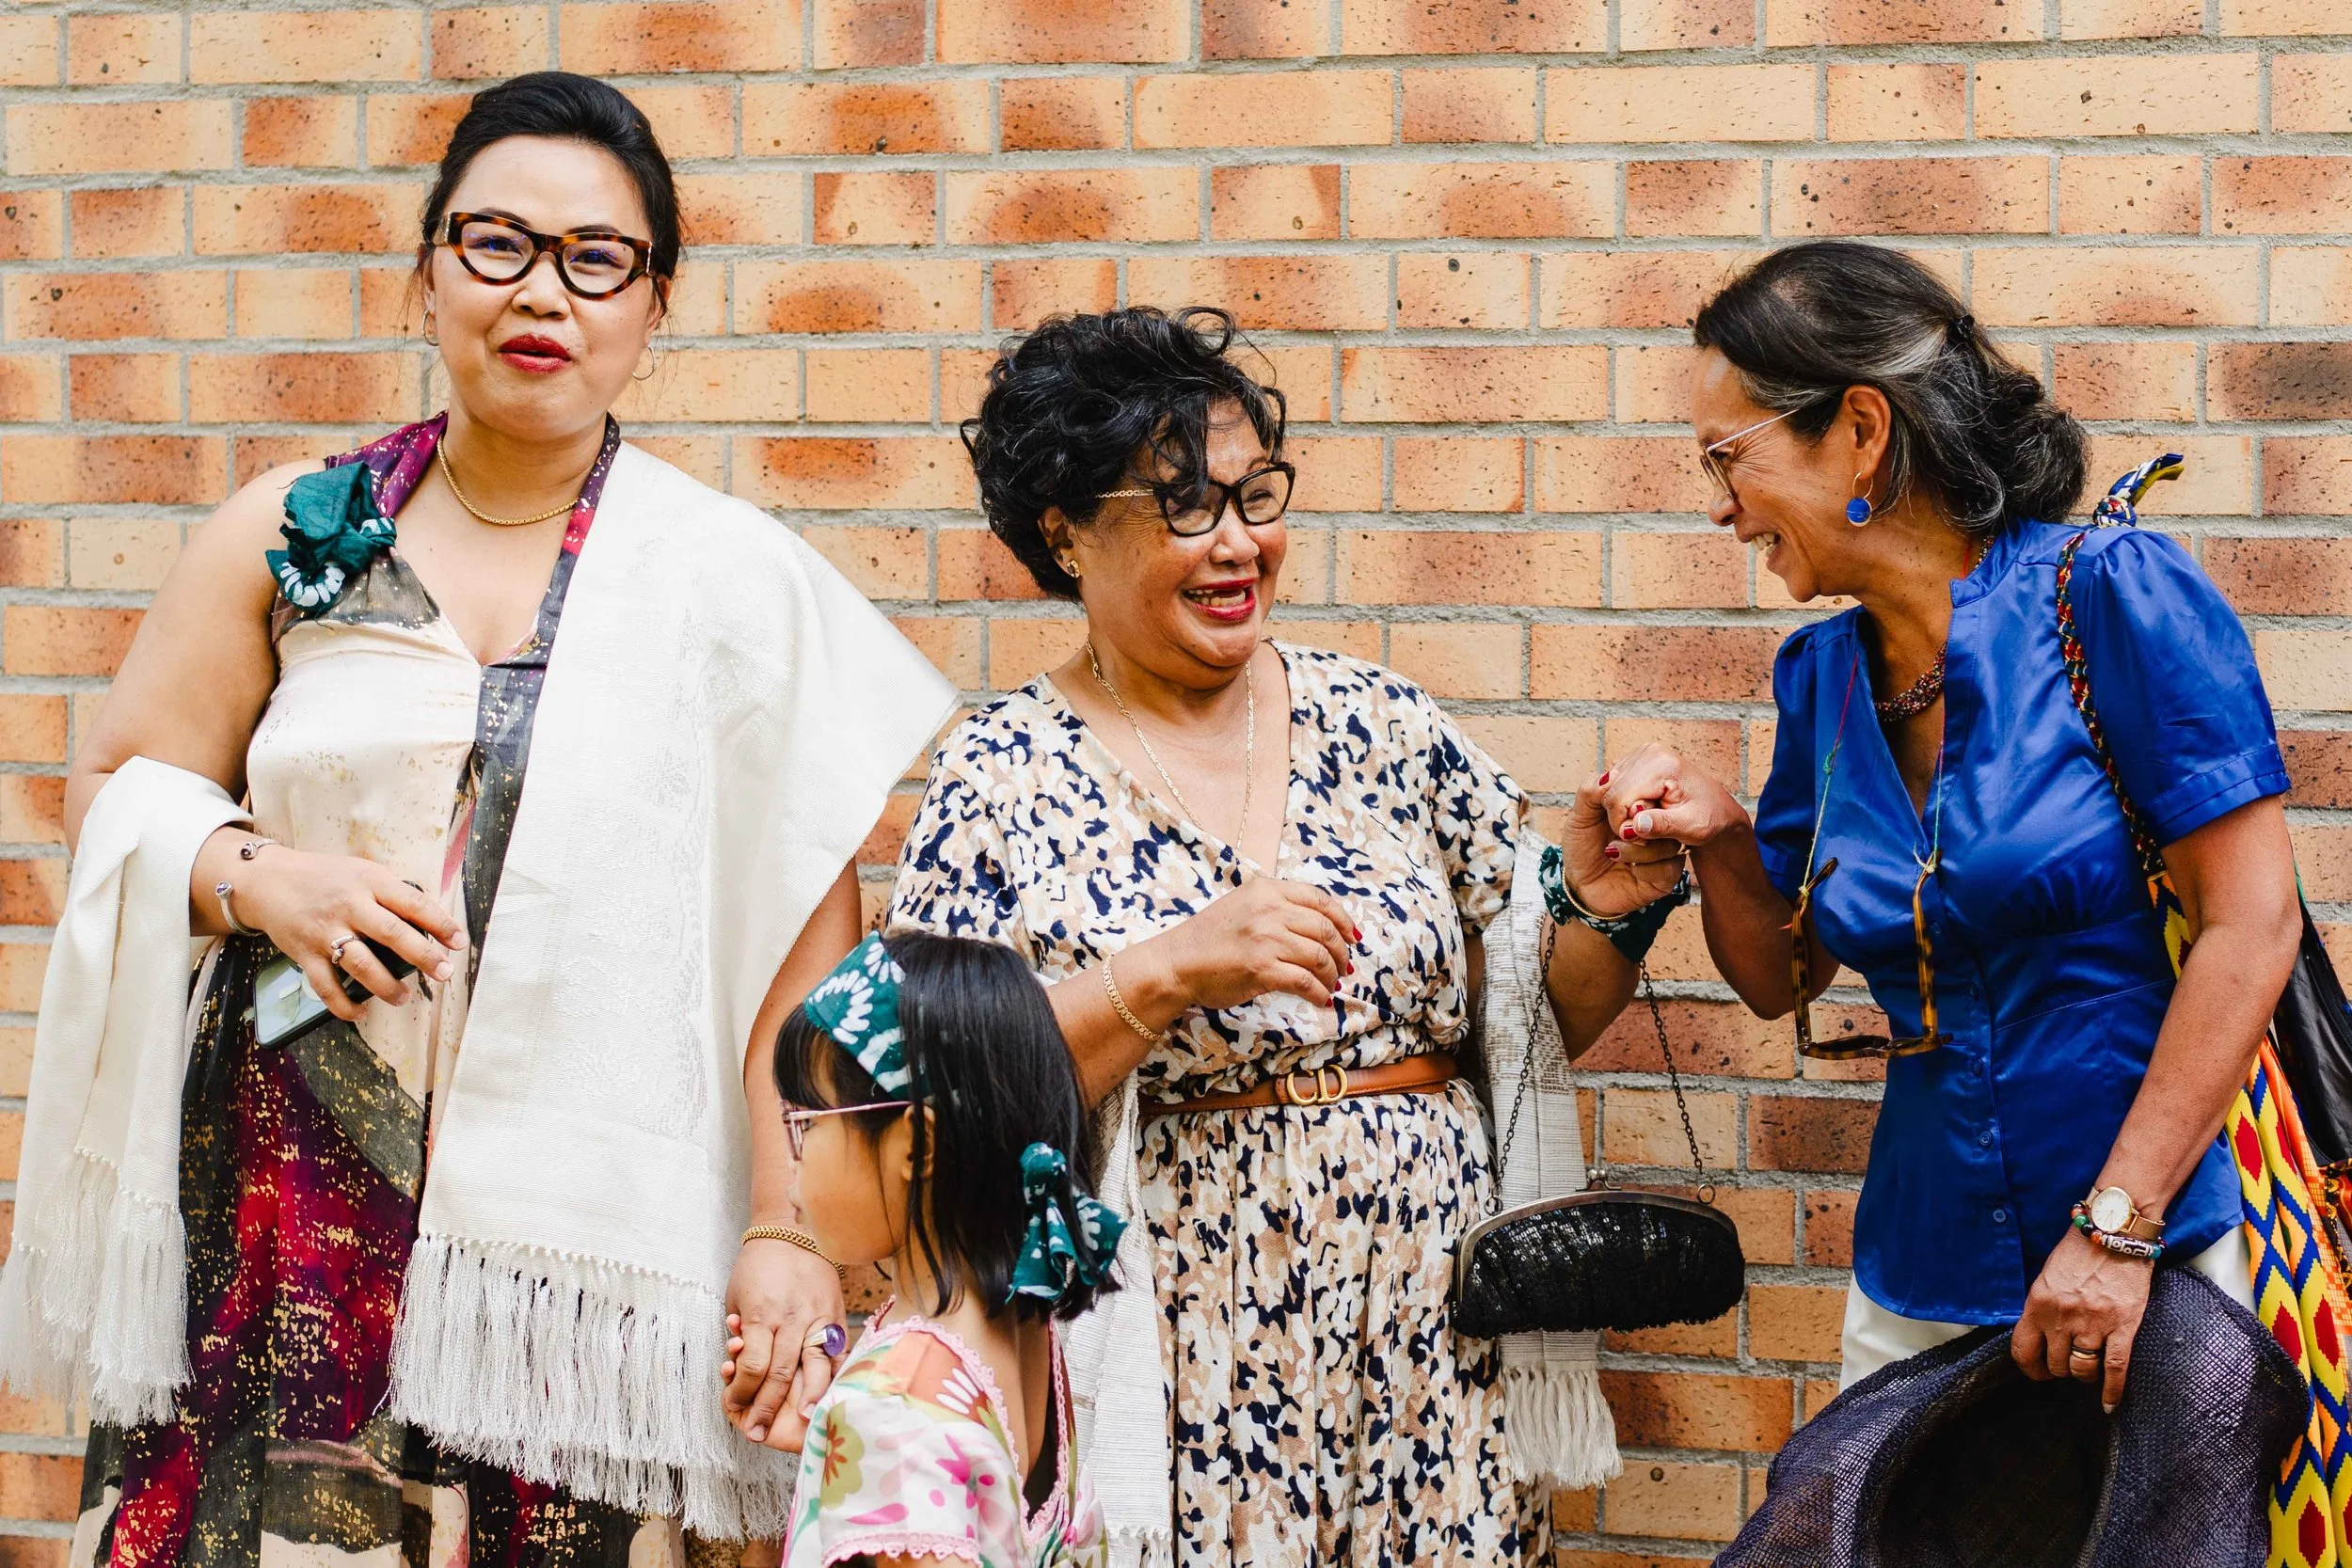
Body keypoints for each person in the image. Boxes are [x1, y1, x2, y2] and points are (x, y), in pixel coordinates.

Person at [1, 71, 952, 1568]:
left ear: (654, 304)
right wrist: (264, 877)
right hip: (287, 1210)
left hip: (577, 1268)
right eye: (497, 242)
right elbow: (115, 791)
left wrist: (785, 1227)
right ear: (429, 269)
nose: (542, 292)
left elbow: (806, 956)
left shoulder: (728, 581)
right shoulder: (295, 531)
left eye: (597, 258)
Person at [887, 306, 1682, 1565]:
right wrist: (1166, 970)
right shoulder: (1001, 773)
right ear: (1064, 530)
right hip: (1187, 1337)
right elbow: (937, 1097)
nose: (1238, 540)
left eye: (1255, 494)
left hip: (1432, 1329)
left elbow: (1533, 1026)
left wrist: (1600, 905)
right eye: (1184, 506)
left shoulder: (1382, 722)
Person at [1593, 242, 2301, 1407]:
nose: (1718, 504)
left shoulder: (2110, 591)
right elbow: (1783, 976)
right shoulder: (1820, 678)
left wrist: (2116, 1227)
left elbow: (2253, 921)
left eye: (1727, 456)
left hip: (2155, 1255)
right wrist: (1720, 836)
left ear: (1860, 430)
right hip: (1924, 1261)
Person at [765, 931, 1117, 1568]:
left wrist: (872, 1428)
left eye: (806, 1123)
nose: (793, 1160)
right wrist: (844, 1460)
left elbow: (912, 1434)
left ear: (915, 1146)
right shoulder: (1027, 1333)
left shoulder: (893, 1410)